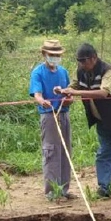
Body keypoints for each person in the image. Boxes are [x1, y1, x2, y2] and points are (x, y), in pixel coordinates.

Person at [59, 42, 111, 202]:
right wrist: (64, 92)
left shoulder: (108, 70)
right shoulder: (81, 71)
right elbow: (72, 87)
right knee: (103, 154)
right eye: (79, 61)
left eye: (84, 60)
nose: (81, 64)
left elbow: (103, 93)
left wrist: (76, 92)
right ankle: (104, 188)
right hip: (101, 120)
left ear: (93, 58)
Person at [28, 39, 74, 200]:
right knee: (51, 151)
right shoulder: (38, 72)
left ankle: (64, 190)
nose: (54, 58)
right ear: (44, 54)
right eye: (51, 55)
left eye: (57, 55)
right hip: (49, 116)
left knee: (65, 150)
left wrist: (69, 99)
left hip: (64, 114)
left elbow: (70, 94)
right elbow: (37, 94)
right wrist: (42, 101)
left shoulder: (63, 72)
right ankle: (52, 191)